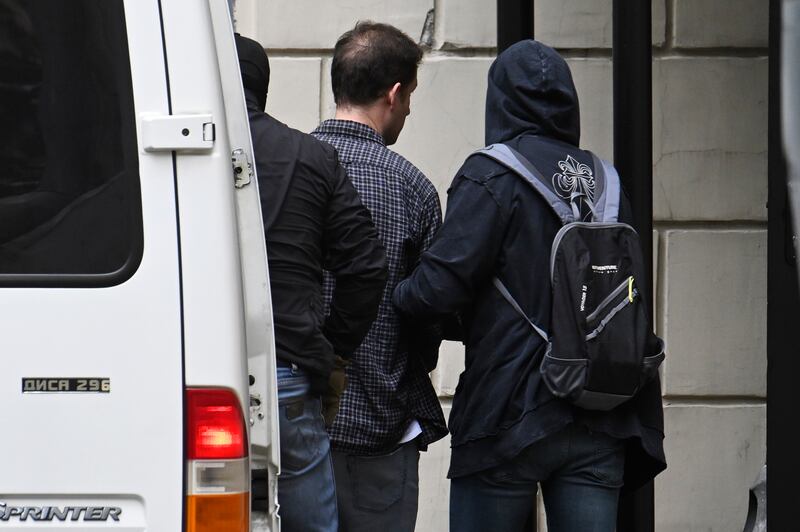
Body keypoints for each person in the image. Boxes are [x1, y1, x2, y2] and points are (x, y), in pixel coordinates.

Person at [393, 40, 666, 532]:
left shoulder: (491, 175)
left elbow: (438, 289)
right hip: (601, 409)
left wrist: (396, 294)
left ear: (499, 102)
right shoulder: (609, 184)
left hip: (508, 410)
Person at [235, 34, 388, 532]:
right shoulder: (310, 156)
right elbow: (366, 267)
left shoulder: (170, 149)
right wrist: (335, 347)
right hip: (287, 373)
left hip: (184, 377)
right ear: (264, 88)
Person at [310, 21, 448, 532]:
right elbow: (429, 314)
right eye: (409, 96)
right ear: (393, 94)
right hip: (381, 432)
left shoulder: (286, 171)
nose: (408, 109)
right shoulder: (413, 189)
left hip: (296, 428)